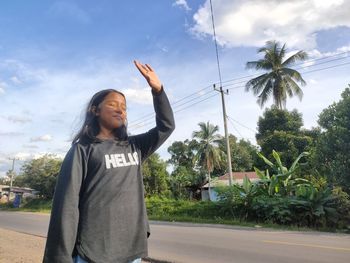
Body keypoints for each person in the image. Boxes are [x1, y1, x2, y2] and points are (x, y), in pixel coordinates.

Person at [43, 61, 175, 263]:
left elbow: (166, 127)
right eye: (113, 104)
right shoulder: (83, 150)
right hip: (93, 254)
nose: (120, 110)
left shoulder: (135, 146)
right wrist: (60, 258)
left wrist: (158, 91)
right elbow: (66, 207)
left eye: (124, 107)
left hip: (131, 253)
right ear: (95, 110)